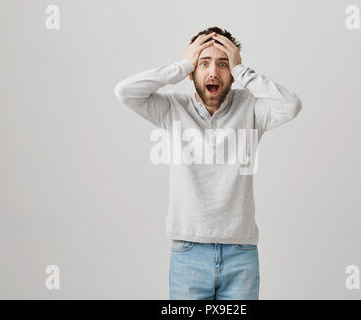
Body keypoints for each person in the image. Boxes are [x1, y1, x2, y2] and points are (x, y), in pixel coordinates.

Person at [114, 26, 302, 300]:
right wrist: (180, 66)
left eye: (223, 63)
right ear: (192, 72)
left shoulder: (251, 108)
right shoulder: (172, 109)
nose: (213, 72)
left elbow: (291, 105)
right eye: (204, 63)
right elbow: (125, 91)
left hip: (241, 254)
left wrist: (243, 71)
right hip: (188, 254)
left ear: (233, 72)